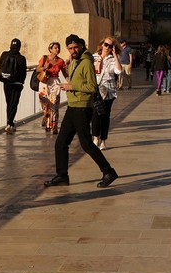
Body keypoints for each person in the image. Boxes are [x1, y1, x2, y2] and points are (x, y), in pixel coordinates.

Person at [44, 35, 119, 188]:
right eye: (70, 48)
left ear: (80, 45)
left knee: (86, 144)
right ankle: (62, 175)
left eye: (76, 47)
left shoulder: (86, 62)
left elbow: (92, 87)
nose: (74, 50)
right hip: (73, 106)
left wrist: (72, 87)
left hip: (82, 107)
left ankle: (109, 172)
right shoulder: (75, 61)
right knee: (61, 143)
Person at [92, 37, 121, 150]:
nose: (107, 47)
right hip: (96, 90)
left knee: (105, 116)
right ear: (101, 44)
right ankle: (95, 137)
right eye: (106, 45)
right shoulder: (94, 57)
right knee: (95, 114)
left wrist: (115, 56)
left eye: (110, 46)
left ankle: (103, 140)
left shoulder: (113, 59)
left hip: (108, 90)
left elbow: (118, 71)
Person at [0, 38, 27, 134]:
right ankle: (10, 124)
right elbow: (23, 72)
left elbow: (0, 65)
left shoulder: (4, 54)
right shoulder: (21, 58)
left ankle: (9, 124)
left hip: (6, 82)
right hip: (17, 84)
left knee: (9, 103)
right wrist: (22, 82)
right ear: (19, 47)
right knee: (14, 104)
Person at [36, 42, 67, 134]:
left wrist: (70, 83)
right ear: (50, 49)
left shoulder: (60, 61)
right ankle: (46, 118)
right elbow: (37, 69)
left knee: (54, 104)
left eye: (58, 48)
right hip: (44, 82)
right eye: (55, 48)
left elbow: (65, 73)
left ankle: (54, 126)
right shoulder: (44, 58)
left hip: (54, 83)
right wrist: (44, 67)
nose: (57, 49)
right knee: (46, 105)